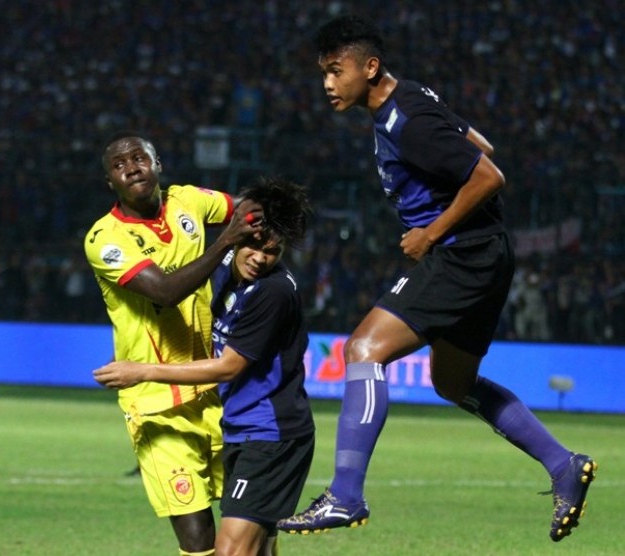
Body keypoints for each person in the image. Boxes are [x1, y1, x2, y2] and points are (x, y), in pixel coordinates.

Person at [276, 15, 597, 543]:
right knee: (453, 383)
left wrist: (430, 233)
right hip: (487, 254)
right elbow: (483, 146)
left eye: (336, 71)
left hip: (459, 256)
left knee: (362, 350)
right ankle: (563, 465)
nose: (328, 84)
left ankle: (345, 495)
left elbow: (489, 175)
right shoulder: (413, 98)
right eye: (323, 73)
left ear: (370, 67)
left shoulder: (407, 119)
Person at [95, 176, 315, 556]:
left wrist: (141, 370)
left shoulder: (272, 292)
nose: (260, 258)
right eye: (255, 246)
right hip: (240, 427)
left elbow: (228, 367)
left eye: (273, 252)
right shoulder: (227, 269)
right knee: (258, 548)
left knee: (230, 551)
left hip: (271, 433)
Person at [84, 131, 263, 556]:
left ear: (157, 163)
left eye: (138, 157)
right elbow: (164, 291)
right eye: (118, 164)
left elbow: (248, 209)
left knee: (254, 526)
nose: (131, 166)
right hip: (156, 404)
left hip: (216, 392)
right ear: (111, 182)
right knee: (198, 535)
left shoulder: (188, 201)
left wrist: (256, 239)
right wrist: (226, 243)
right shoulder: (105, 239)